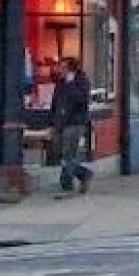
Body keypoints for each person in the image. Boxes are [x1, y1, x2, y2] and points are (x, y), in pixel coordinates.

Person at [49, 56, 93, 195]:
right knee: (59, 153)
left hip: (75, 122)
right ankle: (78, 176)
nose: (59, 70)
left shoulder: (81, 81)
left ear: (70, 69)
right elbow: (55, 103)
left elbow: (81, 100)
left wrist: (71, 84)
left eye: (63, 68)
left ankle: (72, 179)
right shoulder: (60, 83)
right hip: (60, 123)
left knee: (68, 153)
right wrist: (52, 123)